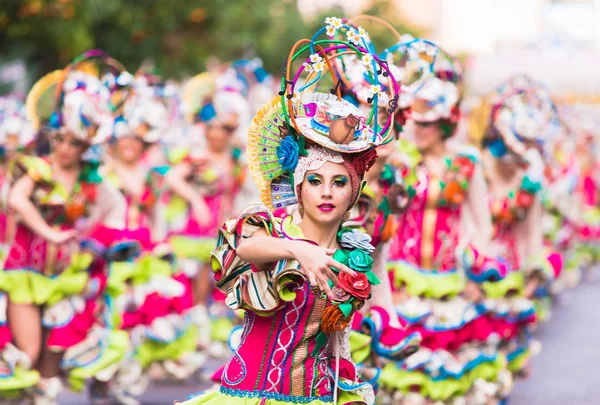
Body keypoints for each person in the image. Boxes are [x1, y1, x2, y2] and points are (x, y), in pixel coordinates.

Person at [177, 20, 396, 405]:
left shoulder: (354, 248)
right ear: (298, 187)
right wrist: (298, 249)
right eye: (314, 181)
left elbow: (336, 338)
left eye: (339, 183)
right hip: (252, 392)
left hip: (318, 394)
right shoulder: (273, 227)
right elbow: (244, 248)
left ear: (353, 192)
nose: (326, 192)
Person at [384, 53, 512, 404]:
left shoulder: (466, 161)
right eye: (415, 122)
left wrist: (474, 274)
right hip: (403, 278)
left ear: (445, 123)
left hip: (448, 280)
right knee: (405, 379)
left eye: (429, 123)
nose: (419, 129)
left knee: (445, 371)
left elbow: (482, 224)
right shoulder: (399, 159)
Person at [2, 68, 127, 404]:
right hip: (25, 273)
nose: (66, 148)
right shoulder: (37, 168)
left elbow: (116, 208)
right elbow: (16, 201)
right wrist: (49, 234)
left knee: (53, 357)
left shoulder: (91, 179)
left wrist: (91, 239)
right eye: (62, 139)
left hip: (65, 277)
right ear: (52, 136)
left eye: (76, 142)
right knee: (27, 354)